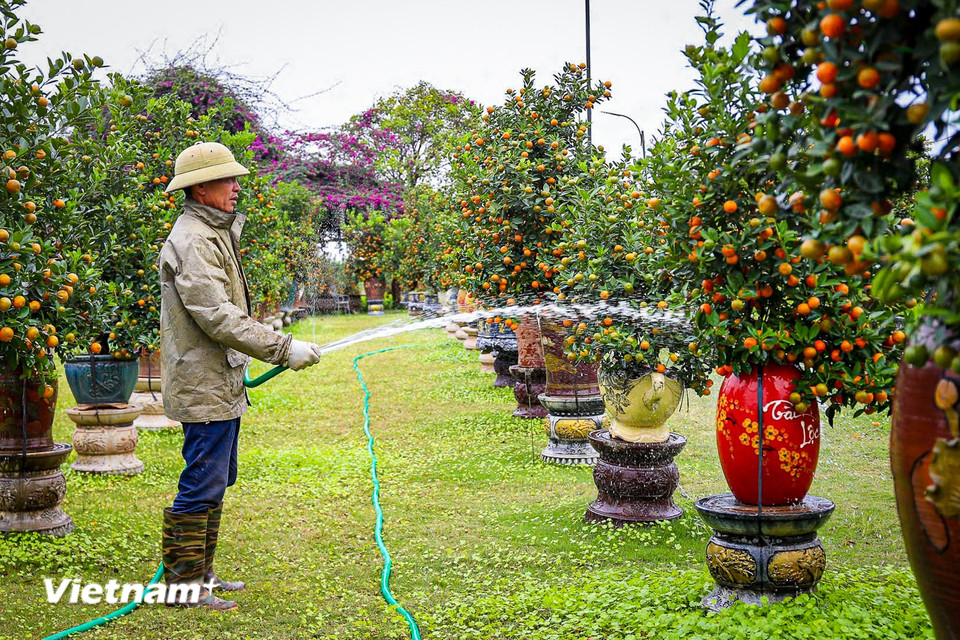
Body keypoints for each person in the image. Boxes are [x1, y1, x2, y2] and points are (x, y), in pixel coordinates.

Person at [157, 141, 322, 610]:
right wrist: (282, 348)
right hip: (202, 381)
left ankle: (201, 573)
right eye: (228, 180)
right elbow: (217, 316)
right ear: (201, 187)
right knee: (203, 478)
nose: (236, 187)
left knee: (218, 475)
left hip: (218, 379)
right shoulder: (192, 240)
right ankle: (184, 585)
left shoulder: (213, 231)